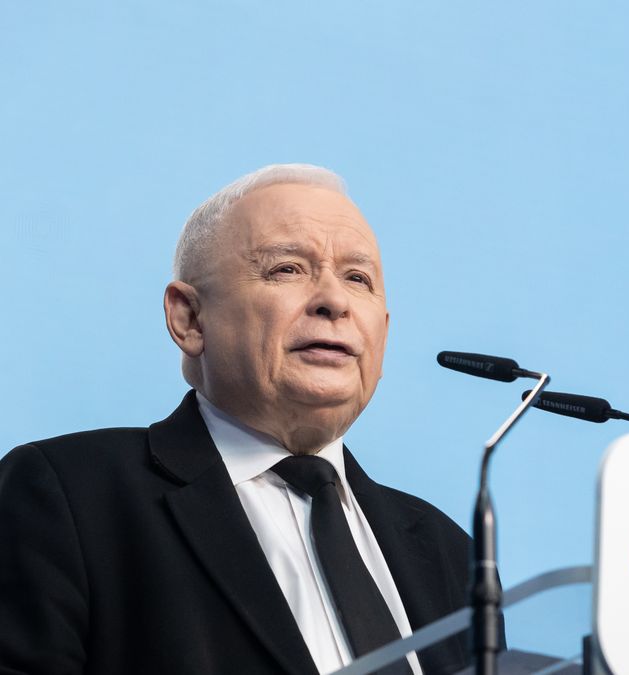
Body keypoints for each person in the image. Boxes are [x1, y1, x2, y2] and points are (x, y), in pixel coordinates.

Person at [0, 165, 472, 675]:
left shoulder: (445, 550)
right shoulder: (69, 495)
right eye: (287, 269)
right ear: (189, 319)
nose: (335, 301)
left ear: (383, 331)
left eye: (358, 279)